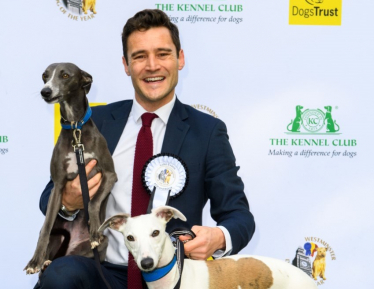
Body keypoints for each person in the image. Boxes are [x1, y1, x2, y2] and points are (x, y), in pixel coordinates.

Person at [36, 9, 255, 289]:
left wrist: (219, 237)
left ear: (180, 59)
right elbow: (47, 198)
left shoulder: (208, 132)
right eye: (140, 56)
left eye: (163, 54)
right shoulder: (94, 121)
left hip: (173, 275)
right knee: (60, 275)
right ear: (126, 65)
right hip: (103, 273)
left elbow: (238, 215)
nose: (152, 66)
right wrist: (67, 200)